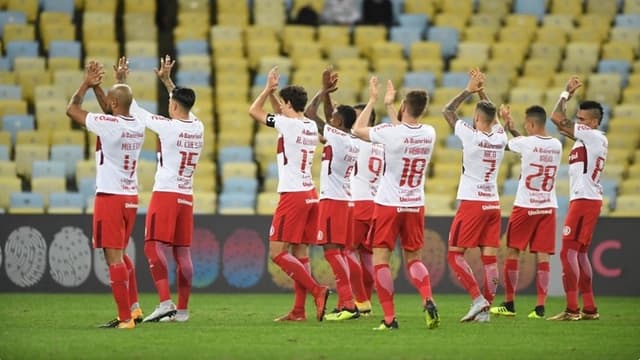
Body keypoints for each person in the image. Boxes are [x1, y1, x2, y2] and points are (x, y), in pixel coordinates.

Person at [106, 56, 203, 323]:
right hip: (187, 194)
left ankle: (164, 302)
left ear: (172, 106)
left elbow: (133, 109)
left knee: (152, 247)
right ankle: (182, 311)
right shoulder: (198, 126)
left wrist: (121, 81)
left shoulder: (167, 128)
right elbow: (183, 105)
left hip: (166, 194)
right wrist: (167, 81)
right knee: (182, 252)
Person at [352, 76, 439, 331]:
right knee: (414, 258)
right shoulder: (429, 133)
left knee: (381, 260)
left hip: (388, 204)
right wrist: (393, 107)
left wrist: (373, 101)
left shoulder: (390, 133)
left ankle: (389, 318)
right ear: (423, 109)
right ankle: (427, 298)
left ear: (404, 106)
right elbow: (403, 131)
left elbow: (358, 129)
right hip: (415, 204)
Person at [66, 61, 145, 329]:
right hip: (130, 198)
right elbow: (114, 108)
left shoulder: (109, 125)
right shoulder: (137, 124)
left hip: (110, 197)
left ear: (113, 103)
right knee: (121, 254)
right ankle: (133, 309)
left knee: (113, 258)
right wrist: (104, 87)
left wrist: (87, 84)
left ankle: (125, 319)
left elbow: (72, 110)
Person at [249, 67, 330, 322]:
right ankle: (298, 311)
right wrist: (276, 93)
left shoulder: (287, 124)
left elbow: (254, 111)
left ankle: (317, 290)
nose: (279, 107)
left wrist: (265, 90)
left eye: (282, 104)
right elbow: (284, 116)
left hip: (293, 195)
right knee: (300, 253)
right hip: (310, 193)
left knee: (277, 252)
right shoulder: (307, 125)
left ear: (288, 104)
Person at [441, 68, 507, 323]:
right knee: (489, 257)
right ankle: (486, 311)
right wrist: (481, 91)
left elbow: (447, 111)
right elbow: (491, 115)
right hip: (493, 203)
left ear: (476, 117)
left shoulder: (470, 135)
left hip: (472, 203)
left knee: (454, 254)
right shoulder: (500, 136)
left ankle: (478, 299)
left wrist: (468, 90)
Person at [489, 105, 562, 319]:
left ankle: (510, 303)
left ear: (530, 124)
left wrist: (503, 122)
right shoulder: (556, 145)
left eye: (525, 124)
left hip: (526, 205)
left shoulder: (526, 143)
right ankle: (540, 308)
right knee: (543, 257)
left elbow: (502, 144)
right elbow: (528, 145)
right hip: (548, 206)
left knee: (513, 251)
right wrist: (514, 128)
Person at [547, 76, 608, 321]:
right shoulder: (588, 139)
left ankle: (572, 309)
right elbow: (561, 126)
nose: (578, 122)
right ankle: (589, 308)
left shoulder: (593, 136)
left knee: (567, 252)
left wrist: (565, 94)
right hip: (585, 200)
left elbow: (555, 118)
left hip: (584, 200)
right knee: (580, 254)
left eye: (582, 119)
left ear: (593, 122)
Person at [304, 68, 359, 320]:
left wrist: (323, 90)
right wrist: (328, 97)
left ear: (338, 123)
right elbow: (328, 115)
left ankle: (347, 303)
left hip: (333, 200)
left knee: (330, 252)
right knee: (338, 252)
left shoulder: (335, 136)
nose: (331, 116)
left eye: (334, 116)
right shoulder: (351, 139)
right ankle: (349, 303)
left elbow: (309, 113)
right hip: (346, 200)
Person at [346, 102, 382, 315]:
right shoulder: (382, 144)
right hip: (377, 203)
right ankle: (366, 301)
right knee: (367, 254)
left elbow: (326, 126)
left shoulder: (357, 141)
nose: (353, 123)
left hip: (359, 203)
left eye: (357, 118)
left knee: (346, 250)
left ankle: (360, 300)